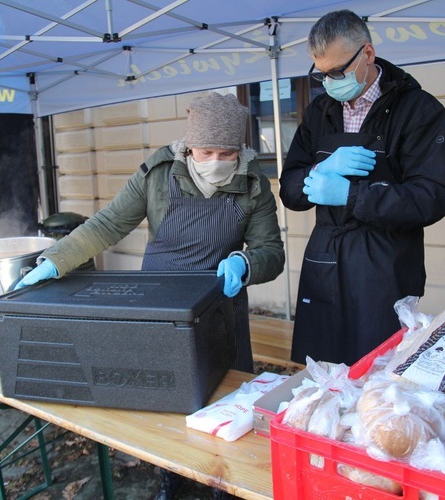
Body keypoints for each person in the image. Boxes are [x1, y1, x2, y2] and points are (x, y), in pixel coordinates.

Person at [17, 92, 285, 500]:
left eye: (225, 152)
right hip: (161, 305)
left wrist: (246, 264)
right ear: (189, 145)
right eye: (206, 150)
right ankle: (170, 476)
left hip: (220, 306)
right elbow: (107, 224)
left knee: (226, 398)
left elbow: (272, 251)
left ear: (240, 150)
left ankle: (223, 482)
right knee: (165, 395)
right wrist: (56, 260)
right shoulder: (158, 173)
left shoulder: (253, 186)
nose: (215, 160)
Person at [279, 10, 445, 366]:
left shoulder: (419, 111)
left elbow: (432, 195)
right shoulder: (319, 112)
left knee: (377, 370)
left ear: (367, 54)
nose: (329, 82)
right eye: (321, 73)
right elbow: (290, 190)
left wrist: (352, 196)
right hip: (326, 255)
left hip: (386, 262)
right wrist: (319, 169)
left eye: (337, 72)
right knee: (323, 369)